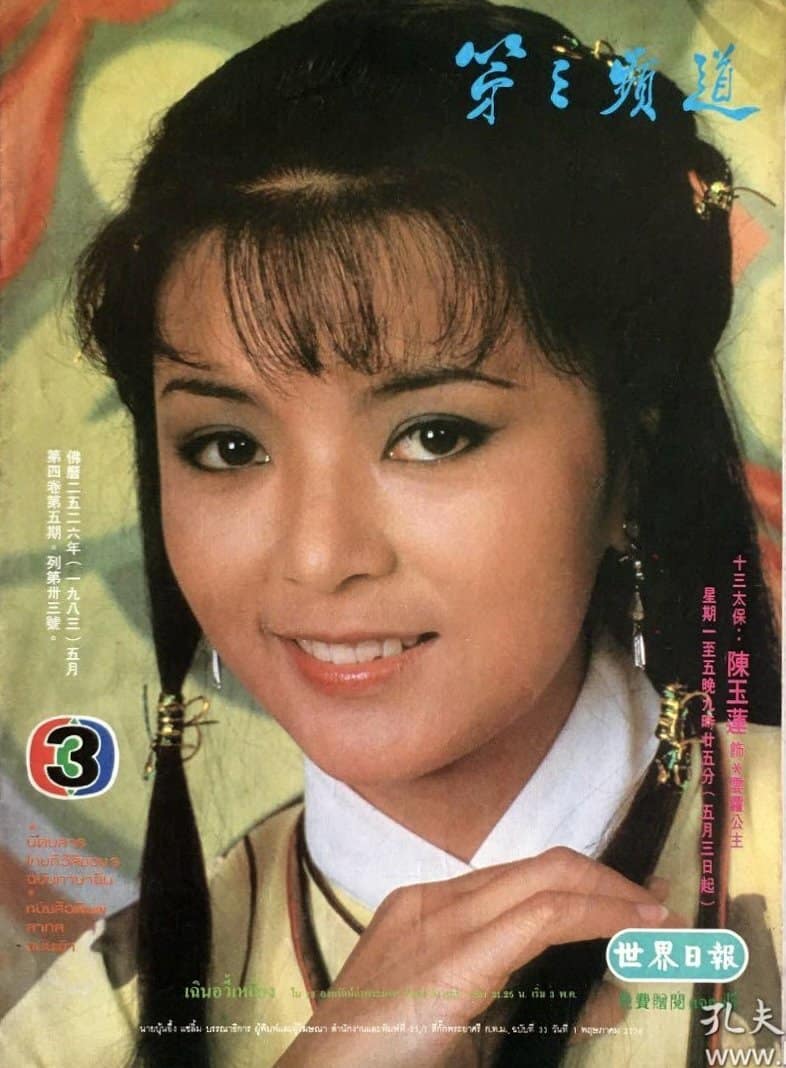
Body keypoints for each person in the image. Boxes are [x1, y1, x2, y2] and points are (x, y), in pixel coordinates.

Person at [1, 1, 780, 1066]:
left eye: (433, 435)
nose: (318, 558)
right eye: (228, 446)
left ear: (628, 466)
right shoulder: (89, 1023)